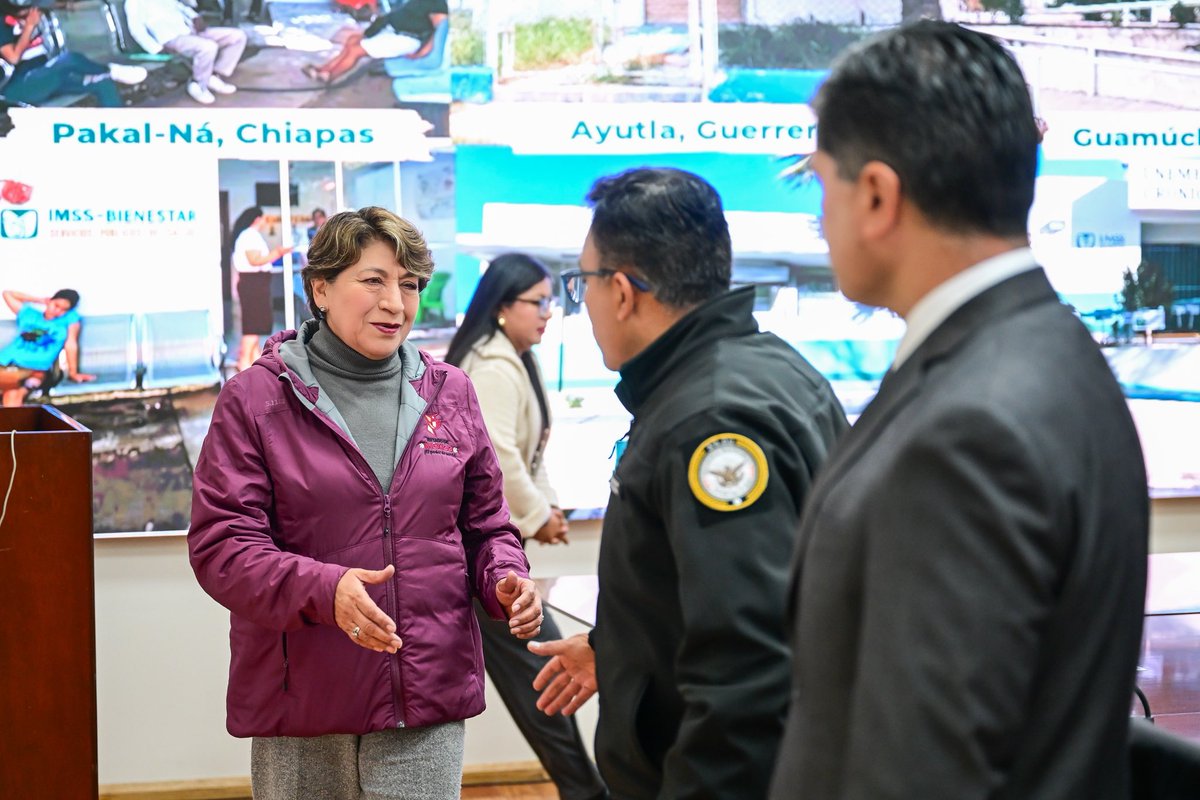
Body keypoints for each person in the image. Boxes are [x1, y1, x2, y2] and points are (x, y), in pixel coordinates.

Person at [768, 22, 1149, 799]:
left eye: (820, 181)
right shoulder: (1042, 352)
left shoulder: (973, 425)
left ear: (875, 194)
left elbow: (922, 773)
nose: (821, 215)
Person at [188, 206, 544, 800]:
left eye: (408, 285)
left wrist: (505, 576)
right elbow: (223, 548)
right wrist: (325, 591)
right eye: (374, 280)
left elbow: (486, 528)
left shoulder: (450, 391)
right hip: (303, 694)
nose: (396, 304)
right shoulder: (254, 399)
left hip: (425, 687)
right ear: (321, 288)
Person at [528, 168, 848, 799]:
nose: (582, 302)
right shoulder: (764, 365)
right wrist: (622, 649)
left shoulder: (710, 422)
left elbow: (749, 672)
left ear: (621, 291)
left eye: (581, 284)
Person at [444, 253, 608, 800]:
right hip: (480, 562)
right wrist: (539, 515)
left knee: (545, 683)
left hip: (494, 557)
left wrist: (547, 509)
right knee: (548, 680)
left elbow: (528, 457)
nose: (548, 313)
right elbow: (499, 459)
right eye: (538, 302)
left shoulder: (509, 359)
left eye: (551, 302)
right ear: (500, 307)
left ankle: (584, 790)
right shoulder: (490, 366)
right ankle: (587, 792)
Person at [0, 1, 146, 107]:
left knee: (103, 83)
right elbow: (13, 57)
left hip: (49, 78)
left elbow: (57, 4)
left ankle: (121, 132)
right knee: (68, 59)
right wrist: (30, 27)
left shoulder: (34, 11)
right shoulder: (3, 22)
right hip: (21, 86)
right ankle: (111, 70)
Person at [124, 0, 246, 105]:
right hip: (171, 39)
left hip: (190, 31)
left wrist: (194, 17)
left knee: (237, 36)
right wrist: (156, 49)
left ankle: (213, 75)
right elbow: (136, 30)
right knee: (208, 47)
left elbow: (181, 7)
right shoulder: (134, 2)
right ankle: (197, 84)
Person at [301, 0, 446, 85]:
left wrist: (424, 51)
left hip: (408, 39)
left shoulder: (437, 3)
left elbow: (440, 28)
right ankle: (324, 70)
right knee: (353, 40)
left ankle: (330, 77)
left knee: (356, 51)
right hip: (392, 31)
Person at [0, 288, 95, 406]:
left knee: (13, 393)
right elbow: (7, 294)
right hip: (4, 363)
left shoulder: (68, 321)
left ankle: (12, 423)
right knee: (10, 390)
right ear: (50, 301)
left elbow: (71, 344)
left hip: (33, 369)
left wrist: (73, 372)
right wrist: (39, 300)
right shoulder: (29, 314)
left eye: (64, 309)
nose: (58, 311)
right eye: (56, 305)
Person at [228, 206, 292, 372]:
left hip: (255, 284)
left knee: (255, 326)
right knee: (252, 326)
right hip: (253, 285)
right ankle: (244, 363)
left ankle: (254, 364)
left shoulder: (249, 235)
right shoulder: (249, 235)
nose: (265, 221)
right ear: (257, 219)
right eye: (263, 218)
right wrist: (278, 252)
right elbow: (255, 260)